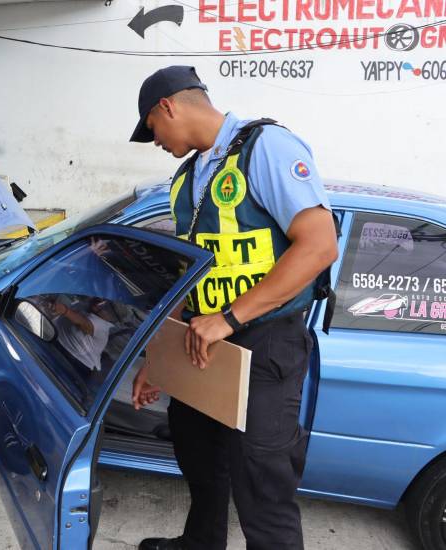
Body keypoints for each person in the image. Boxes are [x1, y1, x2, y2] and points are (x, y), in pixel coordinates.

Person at [128, 66, 338, 550]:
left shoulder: (266, 148)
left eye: (152, 130)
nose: (154, 141)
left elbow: (319, 246)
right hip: (206, 340)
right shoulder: (186, 180)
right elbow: (191, 274)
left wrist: (228, 320)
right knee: (200, 458)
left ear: (168, 107)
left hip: (264, 342)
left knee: (262, 484)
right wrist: (159, 359)